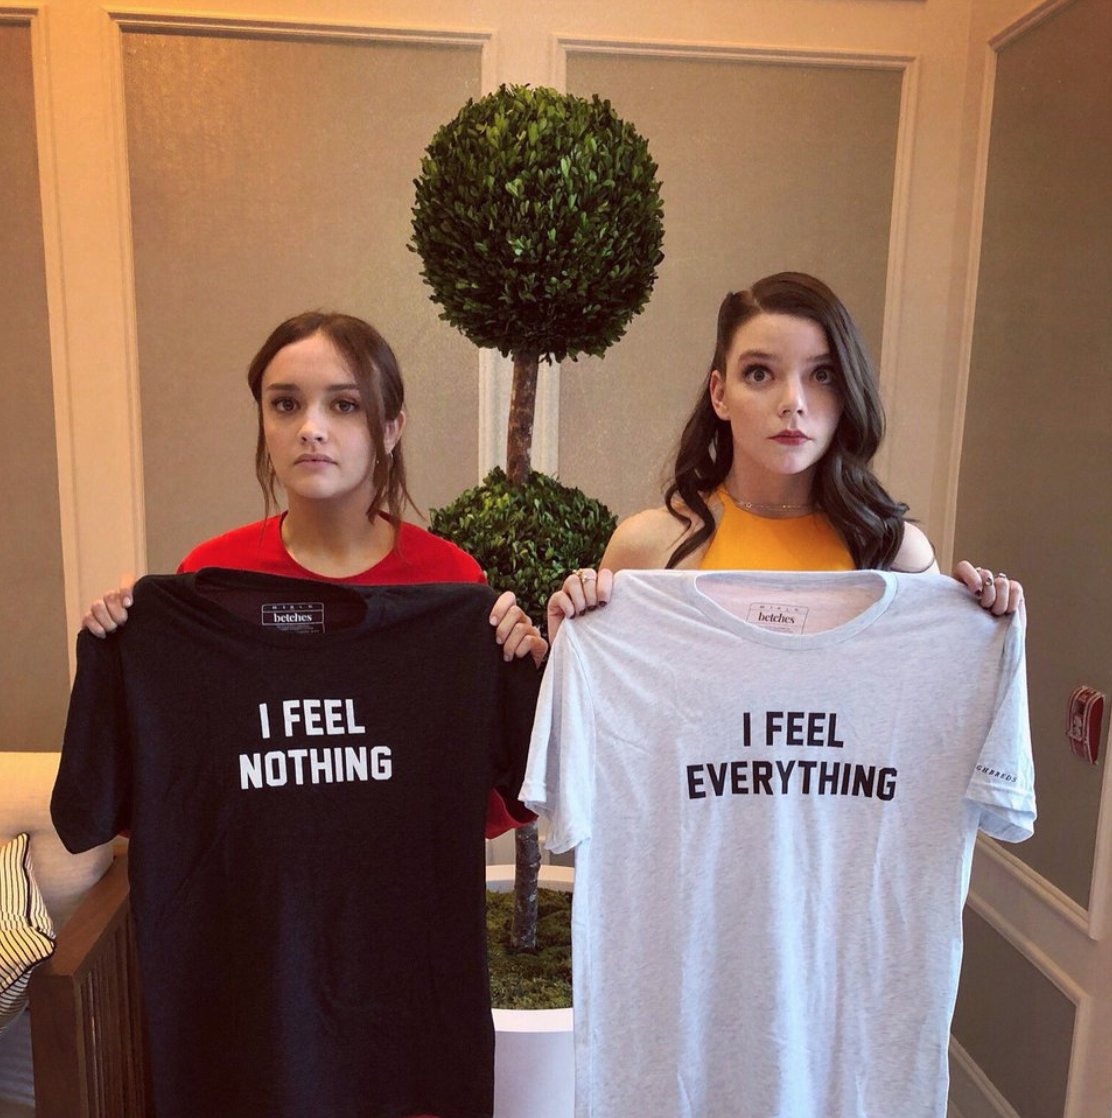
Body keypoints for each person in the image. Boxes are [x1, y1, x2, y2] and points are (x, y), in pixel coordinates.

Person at [82, 310, 546, 836]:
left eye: (345, 405)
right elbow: (170, 784)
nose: (310, 429)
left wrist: (524, 685)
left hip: (397, 882)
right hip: (250, 884)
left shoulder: (449, 579)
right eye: (285, 404)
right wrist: (119, 645)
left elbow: (490, 806)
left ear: (391, 428)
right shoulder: (211, 576)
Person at [547, 272, 1023, 634]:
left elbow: (927, 713)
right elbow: (602, 717)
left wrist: (983, 624)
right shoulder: (645, 547)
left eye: (822, 375)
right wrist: (567, 636)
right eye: (760, 373)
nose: (793, 402)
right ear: (720, 394)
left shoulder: (897, 553)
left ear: (847, 392)